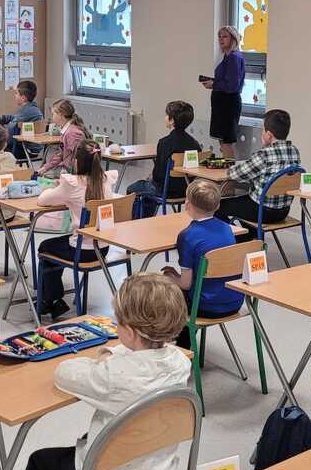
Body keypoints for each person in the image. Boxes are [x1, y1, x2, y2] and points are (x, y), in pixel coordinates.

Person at [22, 273, 190, 470]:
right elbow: (137, 361)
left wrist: (102, 358)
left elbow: (64, 374)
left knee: (39, 461)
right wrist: (114, 353)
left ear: (130, 333)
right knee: (100, 443)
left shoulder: (113, 377)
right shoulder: (179, 362)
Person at [34, 141, 120, 319]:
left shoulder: (72, 184)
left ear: (77, 161)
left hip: (81, 252)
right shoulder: (107, 180)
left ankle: (50, 301)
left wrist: (56, 188)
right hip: (102, 249)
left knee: (45, 247)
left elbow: (42, 200)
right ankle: (52, 301)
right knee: (56, 246)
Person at [160, 180, 237, 349]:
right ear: (217, 205)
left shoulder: (187, 236)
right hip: (234, 301)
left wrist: (170, 277)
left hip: (204, 306)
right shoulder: (227, 228)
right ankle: (184, 345)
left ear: (187, 205)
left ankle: (179, 347)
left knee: (164, 289)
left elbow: (185, 284)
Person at [216, 108, 300, 242]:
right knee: (245, 202)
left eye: (262, 130)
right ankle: (250, 238)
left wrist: (229, 169)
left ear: (268, 134)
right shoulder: (294, 151)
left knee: (216, 206)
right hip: (283, 211)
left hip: (262, 211)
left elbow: (236, 174)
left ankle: (239, 241)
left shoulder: (264, 155)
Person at [126, 100, 200, 219]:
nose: (165, 117)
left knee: (133, 188)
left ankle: (138, 221)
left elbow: (158, 176)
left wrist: (151, 177)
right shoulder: (194, 144)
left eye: (166, 115)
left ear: (171, 120)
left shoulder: (165, 143)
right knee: (148, 189)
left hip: (166, 190)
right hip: (186, 189)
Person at [201, 26, 245, 159]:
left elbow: (232, 85)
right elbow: (226, 80)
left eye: (225, 36)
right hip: (222, 103)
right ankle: (226, 167)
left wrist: (214, 84)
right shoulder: (227, 57)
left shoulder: (234, 57)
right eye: (219, 36)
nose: (221, 39)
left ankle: (229, 170)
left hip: (228, 104)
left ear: (233, 39)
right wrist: (213, 83)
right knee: (223, 142)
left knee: (226, 143)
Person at [0, 79, 42, 160]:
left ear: (23, 98)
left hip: (23, 149)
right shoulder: (33, 109)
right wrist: (3, 118)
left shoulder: (25, 111)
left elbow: (10, 130)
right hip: (34, 148)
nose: (15, 96)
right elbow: (15, 117)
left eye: (16, 93)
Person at [36, 99, 87, 178]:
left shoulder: (72, 133)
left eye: (53, 114)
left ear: (60, 115)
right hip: (69, 171)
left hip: (74, 174)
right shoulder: (67, 131)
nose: (52, 117)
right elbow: (61, 153)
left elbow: (78, 158)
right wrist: (45, 168)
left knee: (48, 177)